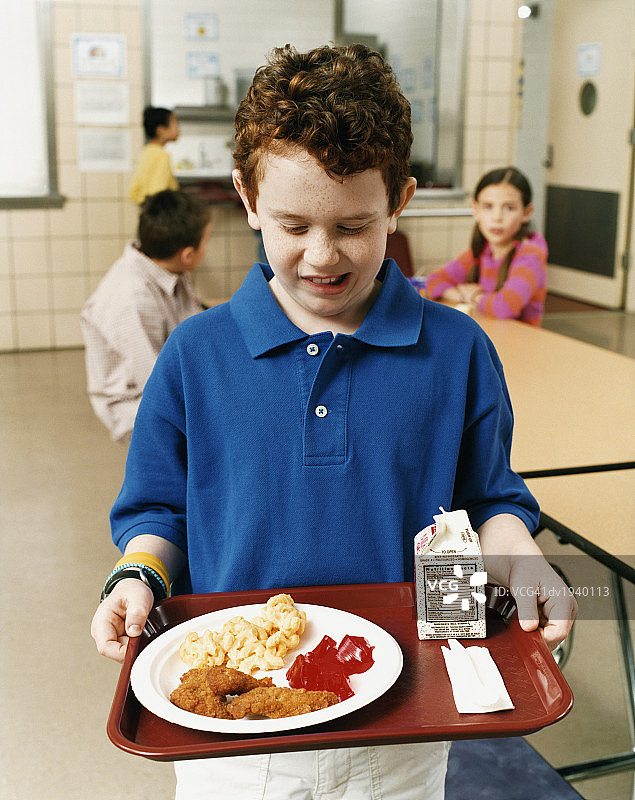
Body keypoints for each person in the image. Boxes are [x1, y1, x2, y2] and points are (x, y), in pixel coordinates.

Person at [91, 45, 576, 799]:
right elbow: (158, 510)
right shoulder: (196, 355)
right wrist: (137, 575)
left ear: (399, 202)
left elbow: (489, 500)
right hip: (232, 728)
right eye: (291, 224)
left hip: (407, 717)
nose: (322, 256)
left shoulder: (456, 350)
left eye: (353, 225)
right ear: (247, 199)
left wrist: (521, 560)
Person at [81, 190, 211, 445]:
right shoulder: (132, 299)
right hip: (132, 404)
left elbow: (191, 322)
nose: (206, 249)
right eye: (206, 241)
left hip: (164, 373)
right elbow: (153, 381)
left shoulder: (170, 266)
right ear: (187, 254)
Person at [425, 167, 548, 325]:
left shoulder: (531, 254)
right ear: (475, 209)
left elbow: (506, 306)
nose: (497, 217)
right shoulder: (482, 250)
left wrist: (474, 297)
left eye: (508, 208)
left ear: (526, 212)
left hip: (520, 341)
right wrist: (463, 295)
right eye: (488, 206)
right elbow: (434, 281)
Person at [128, 106, 180, 205]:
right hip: (160, 216)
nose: (178, 129)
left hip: (148, 213)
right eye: (175, 124)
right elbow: (158, 193)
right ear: (161, 130)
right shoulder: (162, 155)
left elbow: (134, 191)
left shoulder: (148, 151)